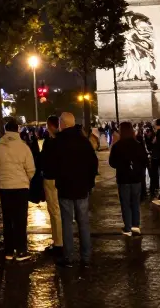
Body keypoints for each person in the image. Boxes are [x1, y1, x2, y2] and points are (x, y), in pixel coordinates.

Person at [43, 113, 98, 267]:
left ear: (63, 124)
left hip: (65, 188)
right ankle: (86, 257)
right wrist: (89, 182)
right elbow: (93, 164)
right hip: (82, 188)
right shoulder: (84, 141)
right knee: (83, 223)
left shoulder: (57, 142)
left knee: (67, 222)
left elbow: (50, 165)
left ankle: (69, 257)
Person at [0, 119, 36, 261]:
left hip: (5, 187)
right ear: (17, 130)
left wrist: (0, 178)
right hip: (21, 187)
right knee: (20, 219)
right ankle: (21, 250)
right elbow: (31, 168)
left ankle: (9, 250)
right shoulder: (23, 147)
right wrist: (26, 179)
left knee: (8, 218)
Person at [108, 122, 147, 236]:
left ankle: (128, 227)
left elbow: (112, 163)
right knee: (135, 203)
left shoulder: (117, 146)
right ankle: (136, 226)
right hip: (136, 178)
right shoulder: (138, 144)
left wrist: (122, 164)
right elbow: (145, 161)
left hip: (123, 178)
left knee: (125, 204)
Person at [39, 116, 64, 256]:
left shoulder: (50, 141)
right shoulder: (63, 141)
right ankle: (60, 240)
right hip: (63, 178)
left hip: (51, 178)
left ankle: (58, 242)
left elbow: (44, 159)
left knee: (54, 211)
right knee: (61, 210)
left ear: (50, 126)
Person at [142, 126, 160, 200]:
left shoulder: (155, 138)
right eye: (146, 132)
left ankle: (155, 187)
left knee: (154, 173)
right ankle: (153, 187)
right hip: (149, 158)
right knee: (152, 173)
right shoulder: (145, 139)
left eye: (148, 132)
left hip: (154, 158)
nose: (147, 133)